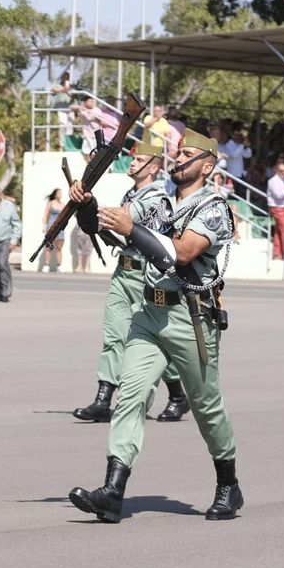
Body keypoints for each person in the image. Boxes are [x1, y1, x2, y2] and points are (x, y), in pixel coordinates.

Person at [69, 130, 243, 524]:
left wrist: (131, 228)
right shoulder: (160, 201)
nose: (178, 157)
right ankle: (113, 491)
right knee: (130, 394)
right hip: (150, 315)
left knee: (207, 408)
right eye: (177, 151)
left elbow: (182, 253)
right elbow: (110, 228)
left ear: (208, 165)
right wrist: (88, 204)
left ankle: (228, 484)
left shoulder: (214, 207)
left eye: (188, 153)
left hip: (191, 320)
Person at [68, 142, 189, 424]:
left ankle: (178, 396)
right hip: (123, 273)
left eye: (141, 160)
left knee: (156, 339)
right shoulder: (132, 193)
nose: (132, 163)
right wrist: (85, 202)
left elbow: (117, 219)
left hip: (146, 276)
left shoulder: (156, 196)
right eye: (133, 159)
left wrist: (86, 200)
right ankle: (103, 400)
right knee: (114, 336)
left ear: (155, 167)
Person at [267, 160, 284, 260]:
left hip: (283, 207)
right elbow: (278, 195)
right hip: (277, 207)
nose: (283, 173)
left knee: (278, 231)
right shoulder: (273, 181)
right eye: (281, 171)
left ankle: (277, 254)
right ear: (277, 170)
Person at [39, 188, 66, 273]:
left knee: (59, 247)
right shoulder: (51, 203)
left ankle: (59, 265)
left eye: (61, 193)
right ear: (55, 194)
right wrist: (44, 226)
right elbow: (46, 214)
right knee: (49, 246)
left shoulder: (63, 204)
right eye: (58, 193)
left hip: (60, 226)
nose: (60, 195)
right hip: (51, 225)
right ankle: (46, 265)